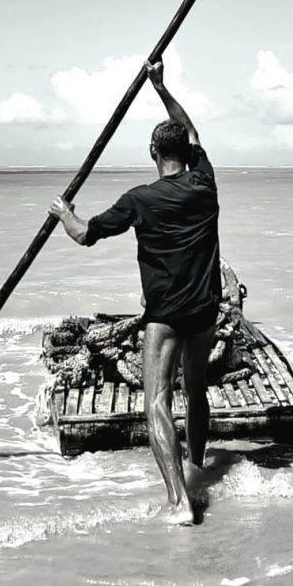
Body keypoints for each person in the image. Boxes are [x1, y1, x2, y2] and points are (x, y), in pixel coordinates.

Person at [48, 60, 219, 525]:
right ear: (186, 151)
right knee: (197, 392)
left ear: (151, 152)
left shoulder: (139, 200)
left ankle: (180, 503)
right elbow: (191, 130)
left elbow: (84, 235)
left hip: (165, 314)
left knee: (157, 401)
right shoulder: (205, 183)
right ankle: (197, 471)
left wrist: (64, 212)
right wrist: (161, 87)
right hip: (205, 308)